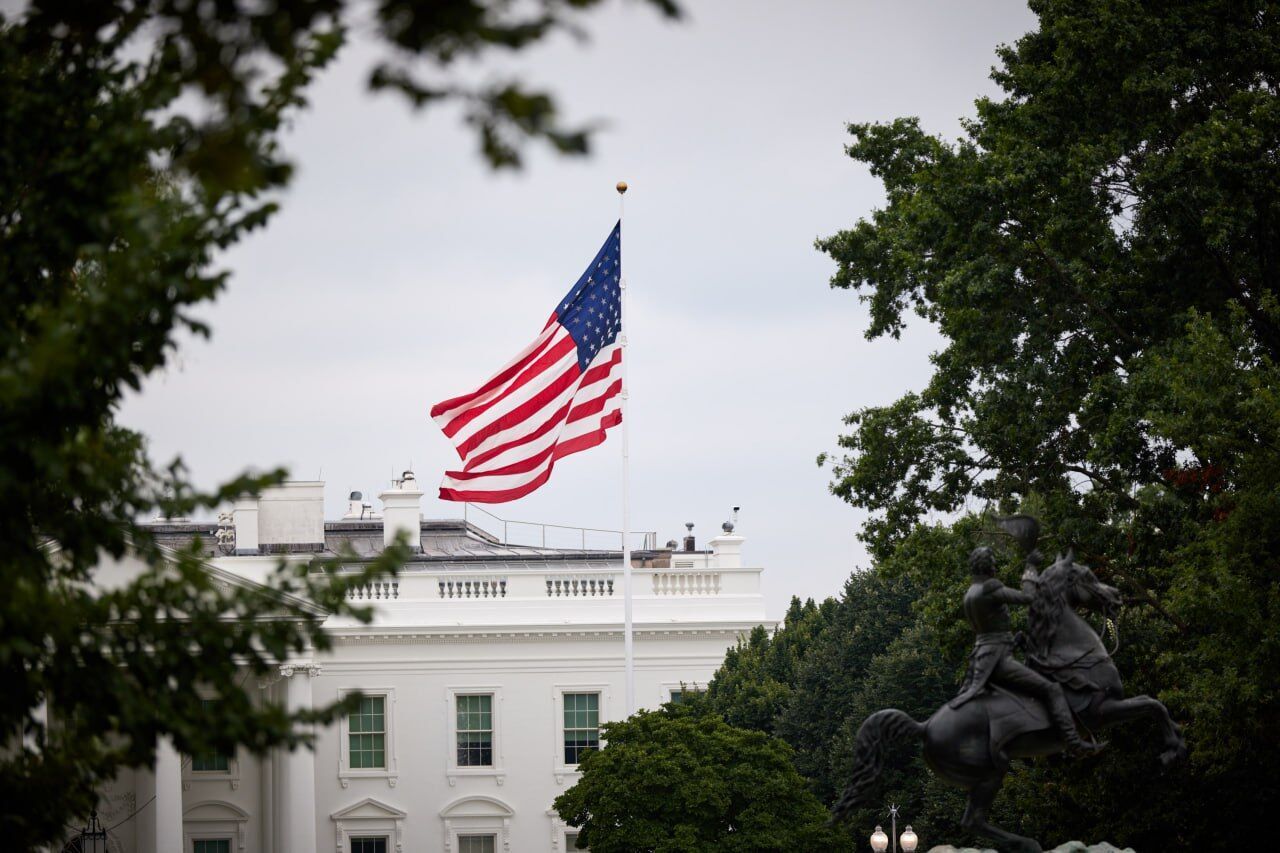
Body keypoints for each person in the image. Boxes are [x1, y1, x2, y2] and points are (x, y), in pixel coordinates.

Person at [948, 546, 1101, 752]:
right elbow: (1029, 597)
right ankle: (1074, 743)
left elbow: (990, 631)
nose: (995, 565)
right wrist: (1030, 567)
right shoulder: (989, 588)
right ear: (986, 565)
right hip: (998, 658)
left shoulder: (970, 593)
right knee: (1052, 689)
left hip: (982, 656)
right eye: (992, 561)